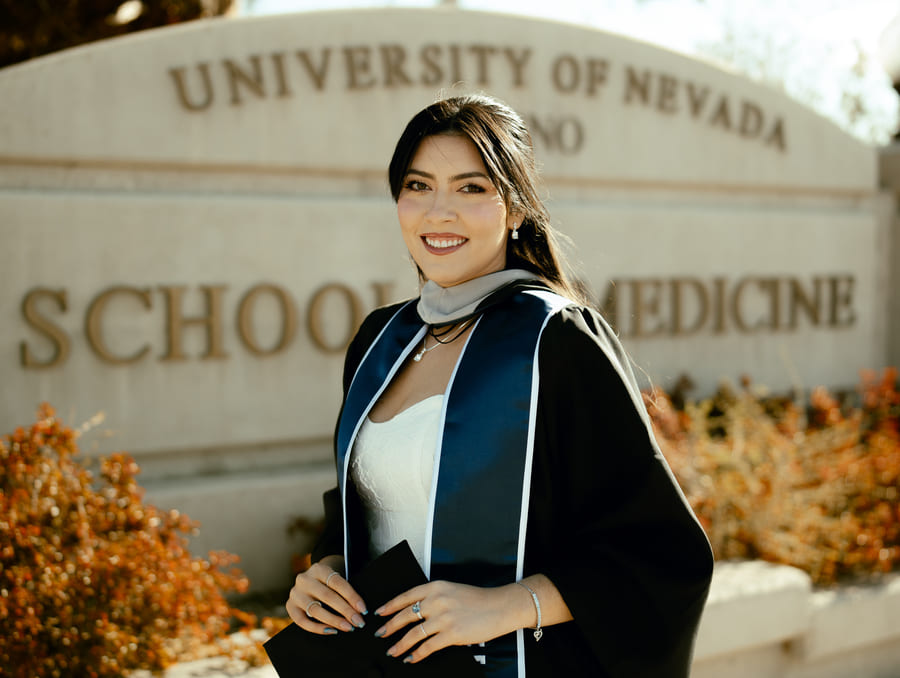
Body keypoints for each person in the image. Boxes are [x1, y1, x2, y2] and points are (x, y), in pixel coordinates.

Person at [285, 94, 714, 678]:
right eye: (418, 186)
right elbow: (360, 506)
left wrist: (499, 607)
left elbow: (656, 553)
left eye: (470, 188)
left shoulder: (554, 339)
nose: (439, 212)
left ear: (515, 208)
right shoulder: (380, 340)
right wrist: (327, 570)